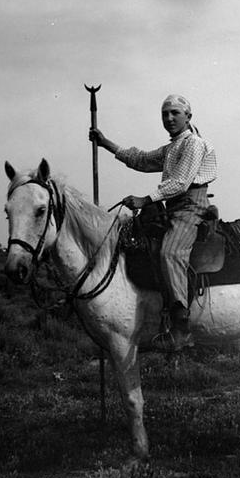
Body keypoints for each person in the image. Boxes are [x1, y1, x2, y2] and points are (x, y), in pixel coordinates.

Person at [89, 94, 217, 351]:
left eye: (174, 113)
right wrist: (106, 144)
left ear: (188, 117)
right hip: (173, 207)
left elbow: (181, 182)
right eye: (165, 114)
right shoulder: (171, 148)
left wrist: (145, 199)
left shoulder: (193, 144)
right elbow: (141, 159)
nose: (169, 118)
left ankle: (180, 325)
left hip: (191, 208)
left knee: (170, 251)